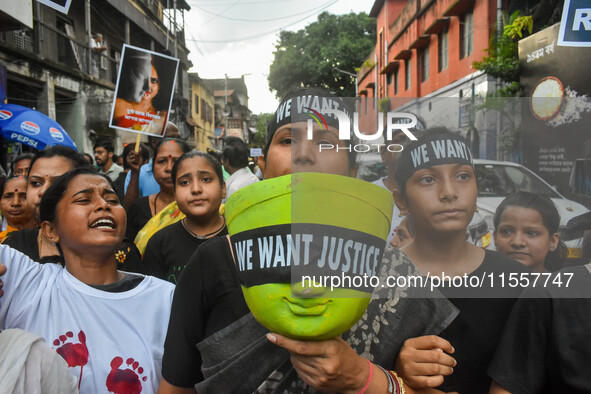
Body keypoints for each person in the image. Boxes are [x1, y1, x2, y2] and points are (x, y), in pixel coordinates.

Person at [158, 89, 457, 394]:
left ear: (353, 171)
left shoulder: (391, 272)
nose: (304, 154)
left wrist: (366, 379)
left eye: (326, 142)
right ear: (262, 165)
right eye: (288, 140)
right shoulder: (212, 262)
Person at [0, 167, 174, 393]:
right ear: (51, 230)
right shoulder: (26, 284)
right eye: (83, 199)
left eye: (112, 199)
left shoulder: (166, 298)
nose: (103, 205)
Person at [391, 130, 530, 393]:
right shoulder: (376, 279)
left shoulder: (517, 280)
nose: (449, 192)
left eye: (463, 176)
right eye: (428, 179)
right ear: (401, 200)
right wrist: (394, 373)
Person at [141, 151, 227, 283]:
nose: (196, 189)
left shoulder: (240, 235)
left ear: (223, 188)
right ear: (175, 193)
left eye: (205, 179)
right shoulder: (159, 244)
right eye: (185, 182)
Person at [2, 146, 91, 262]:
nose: (43, 191)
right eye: (36, 183)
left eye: (58, 183)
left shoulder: (103, 244)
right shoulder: (11, 246)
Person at [125, 139, 191, 241]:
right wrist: (134, 172)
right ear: (152, 167)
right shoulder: (138, 208)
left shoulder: (199, 206)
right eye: (162, 161)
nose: (169, 168)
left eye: (177, 161)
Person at [493, 191, 566, 273]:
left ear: (553, 241)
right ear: (495, 237)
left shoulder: (560, 284)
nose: (517, 242)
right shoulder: (480, 282)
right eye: (506, 232)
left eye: (531, 233)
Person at [112, 50, 171, 136]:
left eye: (154, 81)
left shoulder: (161, 117)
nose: (147, 88)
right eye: (140, 77)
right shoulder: (118, 105)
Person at [372, 131, 409, 243]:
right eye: (400, 140)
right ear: (384, 153)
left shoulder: (437, 196)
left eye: (415, 141)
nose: (407, 146)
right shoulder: (367, 195)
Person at [0, 176, 37, 241]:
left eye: (24, 196)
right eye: (8, 196)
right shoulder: (1, 242)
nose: (15, 203)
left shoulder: (50, 238)